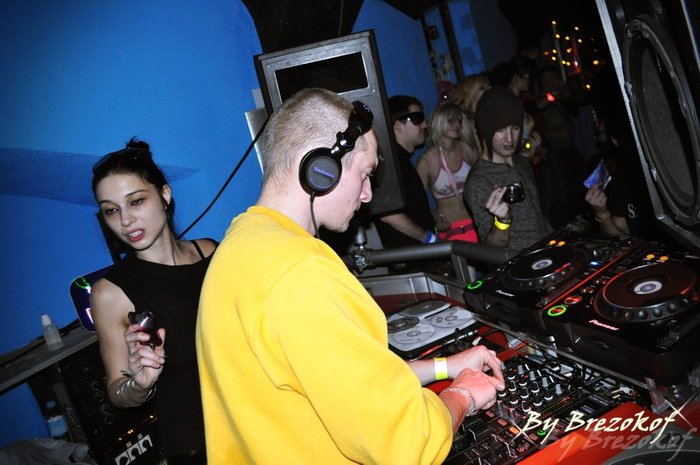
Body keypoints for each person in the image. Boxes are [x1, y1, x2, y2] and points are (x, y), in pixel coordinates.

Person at [196, 88, 505, 465]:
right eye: (365, 174)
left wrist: (444, 366)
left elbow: (340, 386)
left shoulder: (238, 246)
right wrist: (464, 395)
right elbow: (408, 444)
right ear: (321, 169)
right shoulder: (301, 273)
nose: (368, 194)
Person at [90, 139, 216, 465]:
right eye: (111, 210)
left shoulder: (210, 252)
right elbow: (117, 392)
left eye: (136, 201)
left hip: (257, 420)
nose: (125, 220)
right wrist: (140, 383)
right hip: (197, 447)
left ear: (165, 195)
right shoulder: (110, 293)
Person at [464, 86, 552, 253]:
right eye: (500, 130)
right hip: (520, 264)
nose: (509, 138)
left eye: (515, 128)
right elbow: (492, 248)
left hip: (546, 253)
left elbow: (537, 217)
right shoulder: (479, 181)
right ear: (485, 130)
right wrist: (502, 222)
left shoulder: (521, 161)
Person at [374, 95, 438, 247]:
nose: (425, 125)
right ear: (398, 126)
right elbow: (389, 214)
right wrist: (428, 238)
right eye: (417, 118)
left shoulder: (400, 161)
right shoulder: (390, 163)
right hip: (410, 256)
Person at [417, 101, 479, 242]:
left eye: (459, 121)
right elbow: (419, 204)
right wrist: (435, 217)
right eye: (451, 121)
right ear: (439, 122)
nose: (456, 125)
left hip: (476, 224)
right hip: (450, 231)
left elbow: (485, 181)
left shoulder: (468, 150)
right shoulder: (427, 162)